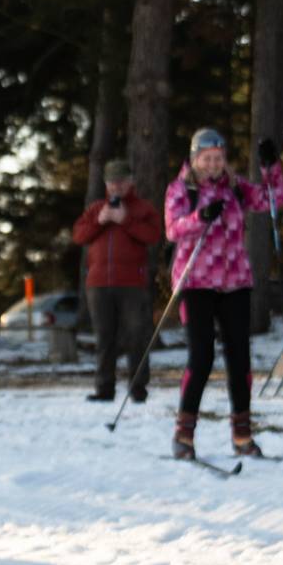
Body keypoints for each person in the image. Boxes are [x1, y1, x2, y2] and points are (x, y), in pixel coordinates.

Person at [163, 127, 283, 459]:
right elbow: (173, 229)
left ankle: (243, 435)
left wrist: (270, 166)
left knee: (239, 358)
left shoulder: (236, 188)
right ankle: (184, 434)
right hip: (196, 284)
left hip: (234, 282)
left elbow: (274, 199)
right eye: (207, 159)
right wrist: (199, 217)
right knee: (201, 357)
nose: (213, 165)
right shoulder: (182, 189)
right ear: (195, 159)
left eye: (218, 158)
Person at [71, 159, 163, 404]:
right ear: (106, 183)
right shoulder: (95, 208)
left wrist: (126, 220)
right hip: (98, 284)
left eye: (121, 181)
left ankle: (138, 387)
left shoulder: (142, 209)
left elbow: (153, 235)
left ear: (130, 182)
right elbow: (79, 236)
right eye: (112, 182)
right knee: (104, 337)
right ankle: (104, 388)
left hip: (132, 283)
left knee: (137, 335)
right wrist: (99, 221)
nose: (116, 186)